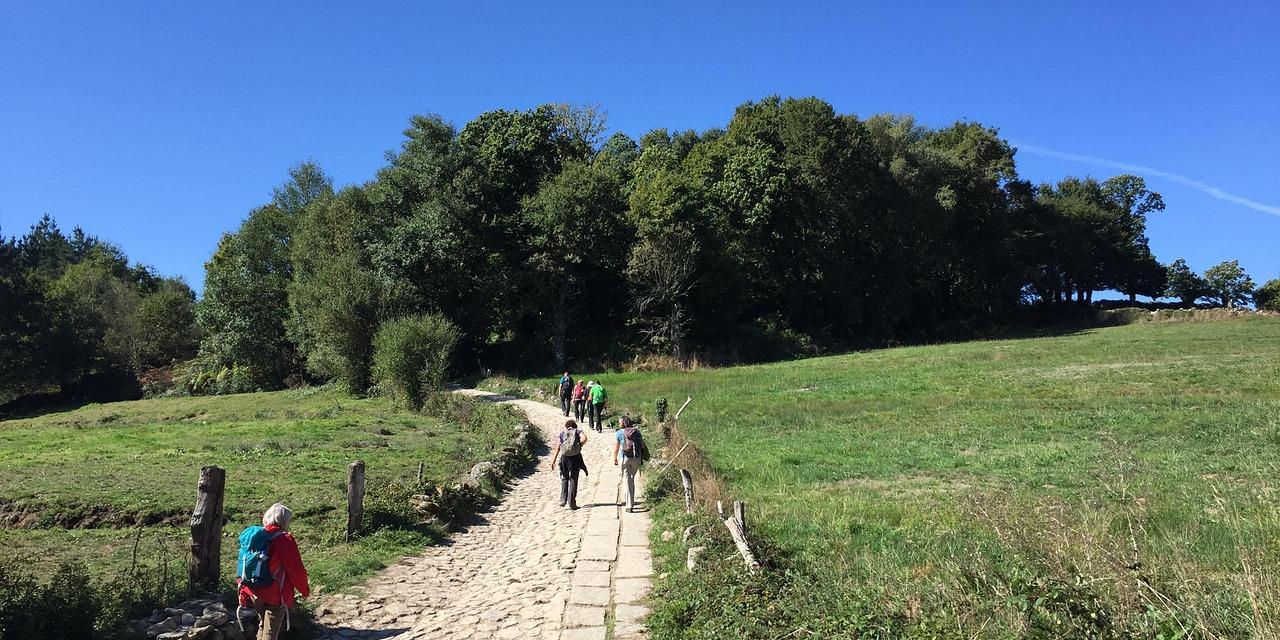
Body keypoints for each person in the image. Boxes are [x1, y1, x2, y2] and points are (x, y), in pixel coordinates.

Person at [238, 503, 310, 640]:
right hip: (275, 594)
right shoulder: (285, 539)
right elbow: (296, 570)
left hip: (253, 590)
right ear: (284, 521)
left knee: (262, 625)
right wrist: (304, 590)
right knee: (271, 632)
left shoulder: (255, 536)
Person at [549, 419, 589, 509]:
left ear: (566, 426)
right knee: (573, 479)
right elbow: (585, 438)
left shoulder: (562, 433)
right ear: (575, 426)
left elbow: (557, 448)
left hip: (564, 458)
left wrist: (553, 461)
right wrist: (579, 446)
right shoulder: (578, 431)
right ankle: (572, 503)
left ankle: (563, 499)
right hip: (575, 458)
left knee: (564, 478)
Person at [612, 416, 646, 512]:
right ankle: (631, 501)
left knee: (627, 480)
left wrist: (615, 458)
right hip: (636, 458)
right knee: (631, 479)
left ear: (622, 423)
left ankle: (629, 505)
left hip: (625, 458)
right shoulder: (637, 432)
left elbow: (616, 448)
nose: (619, 424)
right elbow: (642, 445)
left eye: (620, 422)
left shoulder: (619, 433)